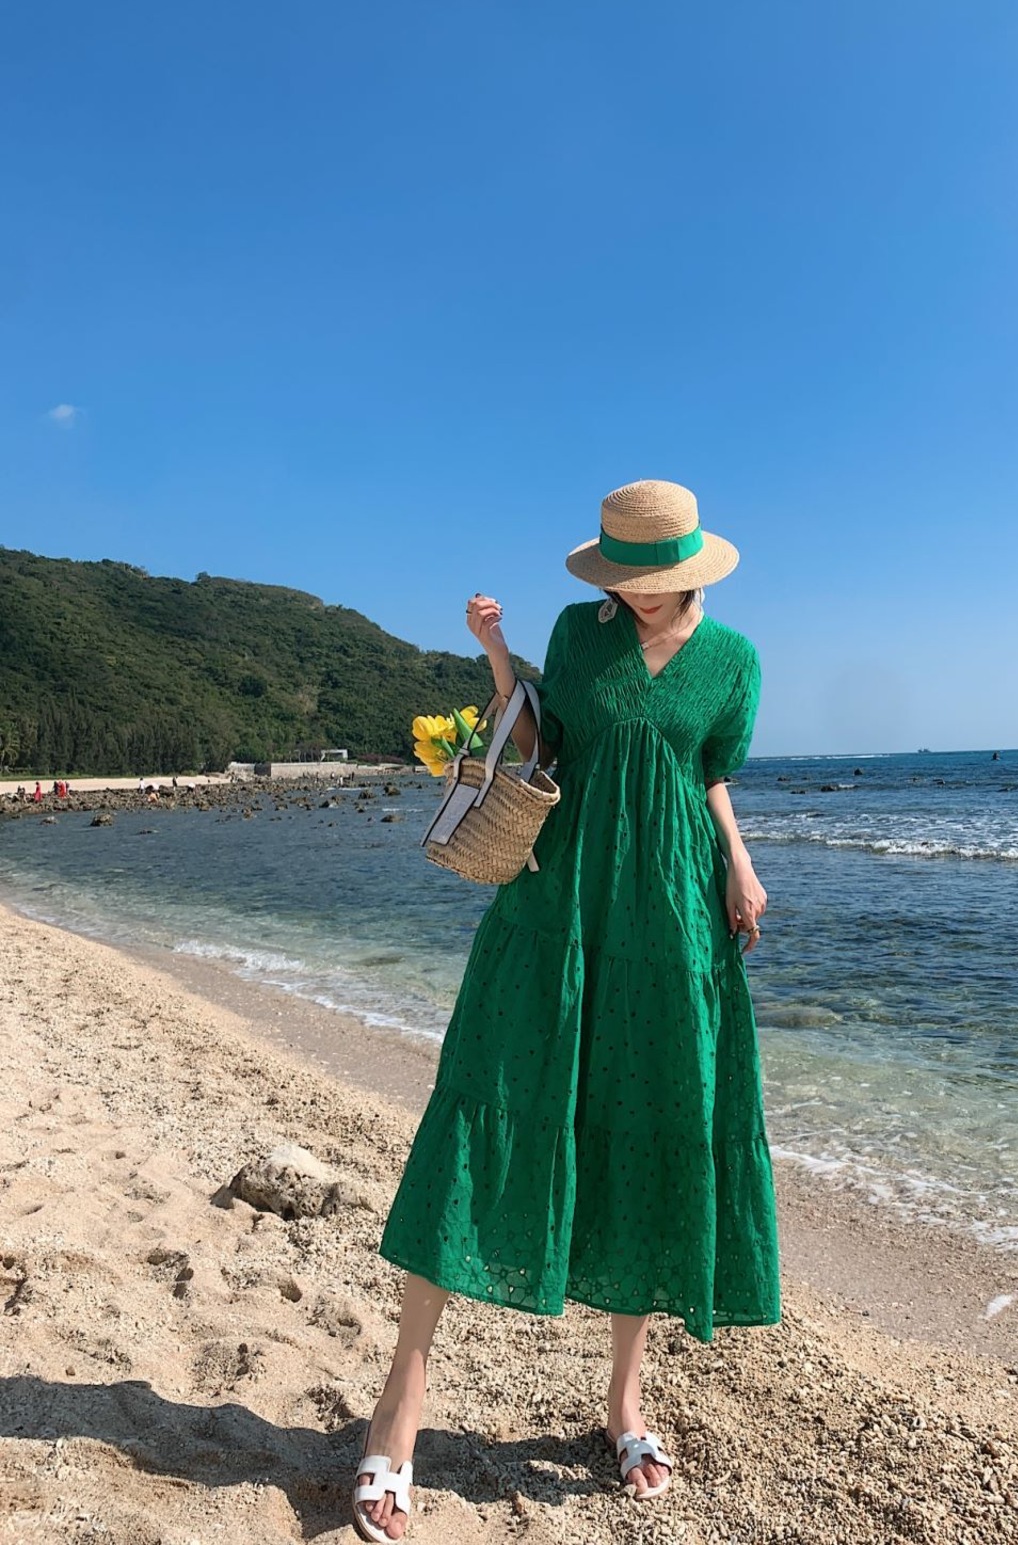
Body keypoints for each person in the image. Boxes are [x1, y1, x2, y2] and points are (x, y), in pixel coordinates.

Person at [354, 479, 777, 1540]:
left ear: (688, 571)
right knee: (487, 1095)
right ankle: (399, 1405)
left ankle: (624, 1401)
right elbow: (538, 732)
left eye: (653, 578)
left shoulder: (734, 660)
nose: (638, 593)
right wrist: (498, 656)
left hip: (672, 907)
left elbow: (707, 771)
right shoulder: (574, 635)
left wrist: (738, 862)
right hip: (559, 899)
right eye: (623, 576)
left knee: (653, 1120)